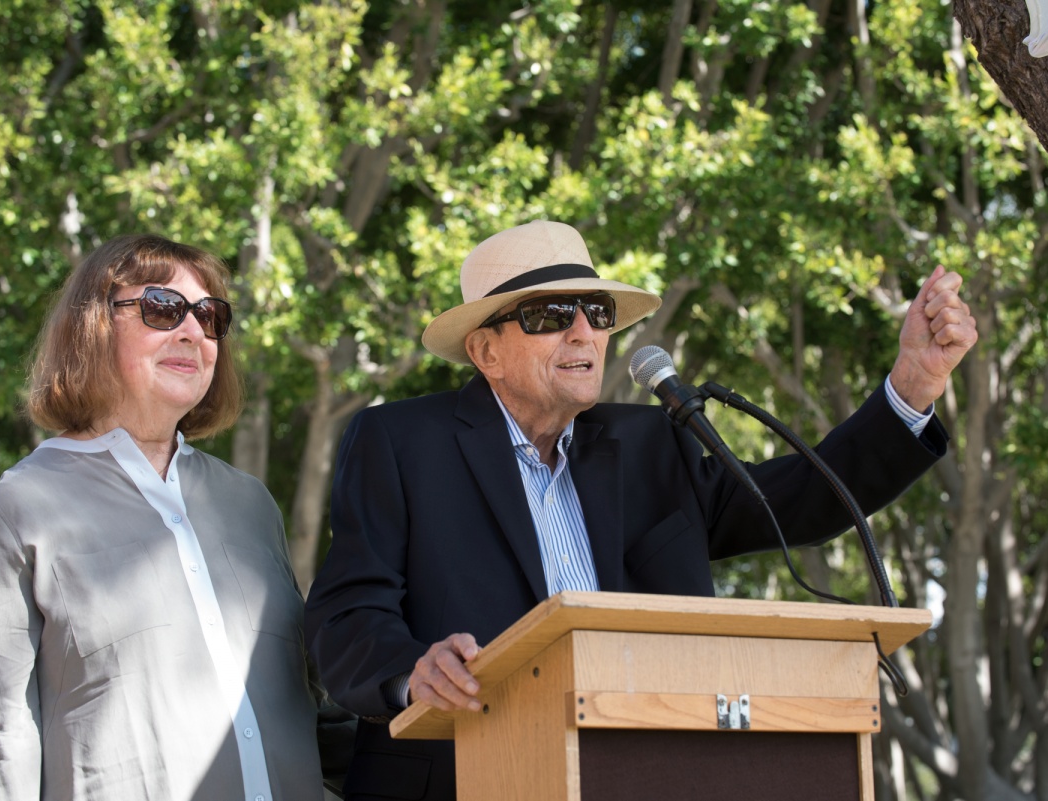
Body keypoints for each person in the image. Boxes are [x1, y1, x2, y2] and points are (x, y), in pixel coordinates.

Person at [305, 220, 978, 801]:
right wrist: (409, 671)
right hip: (456, 778)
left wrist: (913, 385)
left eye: (595, 313)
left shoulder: (652, 442)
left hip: (638, 776)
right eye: (548, 315)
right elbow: (344, 614)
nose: (582, 331)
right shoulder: (402, 442)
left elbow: (795, 502)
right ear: (486, 351)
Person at [0, 234, 324, 800]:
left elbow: (307, 704)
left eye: (210, 316)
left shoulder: (251, 504)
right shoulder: (20, 509)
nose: (192, 331)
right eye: (162, 308)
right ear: (92, 326)